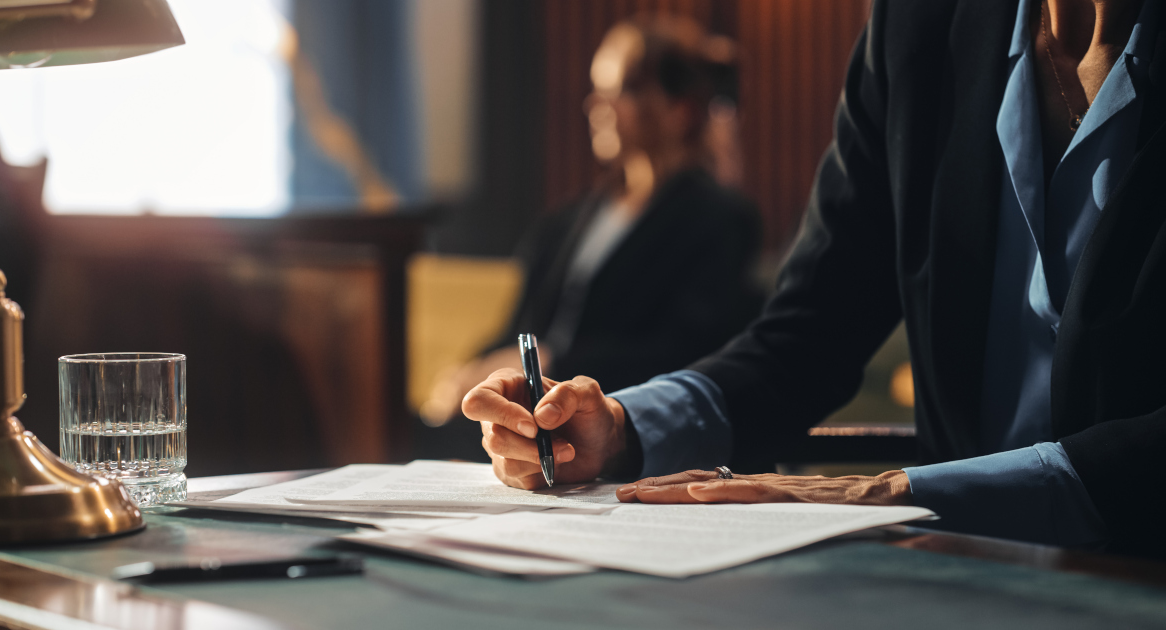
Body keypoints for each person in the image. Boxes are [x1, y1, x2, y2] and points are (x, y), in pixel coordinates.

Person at [463, 0, 1166, 559]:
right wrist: (621, 429)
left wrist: (893, 492)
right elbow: (806, 333)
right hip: (959, 573)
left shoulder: (707, 214)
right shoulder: (916, 23)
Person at [421, 17, 763, 425]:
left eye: (623, 91)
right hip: (533, 407)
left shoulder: (719, 219)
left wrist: (554, 360)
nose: (597, 105)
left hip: (616, 419)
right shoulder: (568, 220)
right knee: (425, 425)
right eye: (599, 90)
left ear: (681, 109)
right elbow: (520, 326)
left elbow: (685, 351)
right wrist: (469, 372)